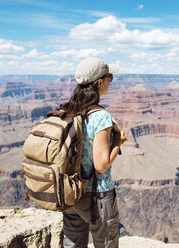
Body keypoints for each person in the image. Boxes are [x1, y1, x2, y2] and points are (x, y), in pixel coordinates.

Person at [60, 57, 124, 248]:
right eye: (109, 77)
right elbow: (101, 165)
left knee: (72, 244)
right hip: (97, 195)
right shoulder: (101, 116)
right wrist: (119, 139)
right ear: (99, 82)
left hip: (71, 191)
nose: (110, 82)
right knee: (105, 243)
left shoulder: (68, 110)